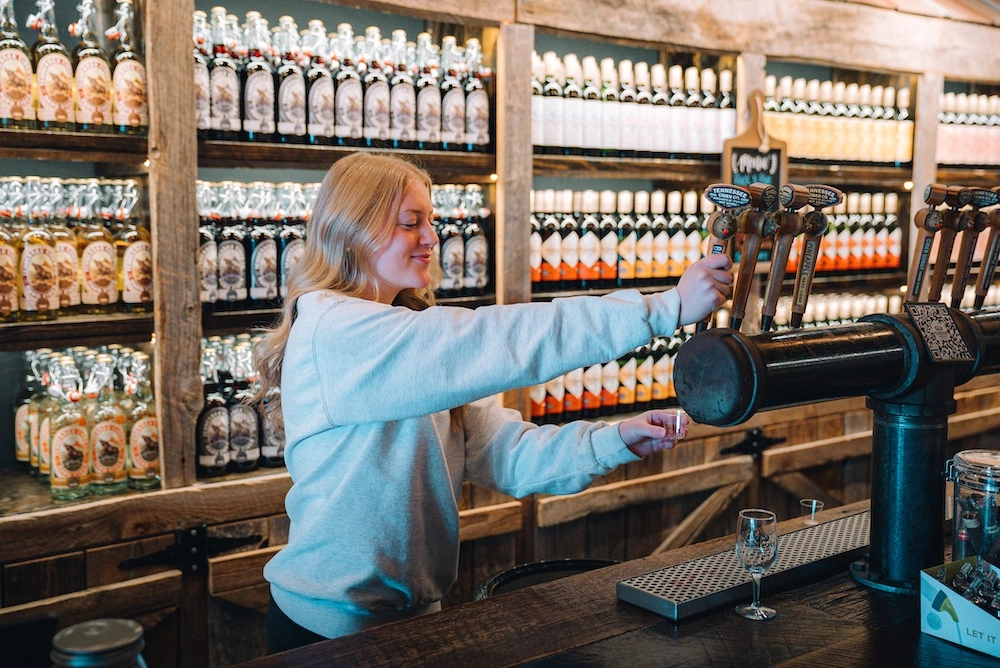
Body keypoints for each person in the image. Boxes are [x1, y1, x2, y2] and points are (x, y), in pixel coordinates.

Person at [251, 152, 733, 652]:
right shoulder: (336, 331)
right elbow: (505, 337)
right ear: (352, 230)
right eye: (410, 223)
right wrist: (664, 308)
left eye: (431, 221)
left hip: (413, 625)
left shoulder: (406, 337)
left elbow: (508, 455)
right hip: (327, 635)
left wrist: (615, 439)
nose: (432, 238)